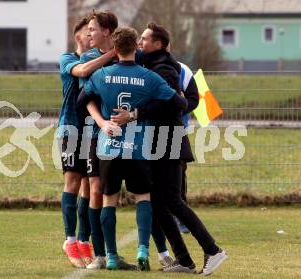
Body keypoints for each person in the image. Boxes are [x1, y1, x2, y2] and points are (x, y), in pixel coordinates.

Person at [112, 23, 227, 275]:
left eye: (145, 39)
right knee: (158, 204)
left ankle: (213, 250)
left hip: (169, 139)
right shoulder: (153, 63)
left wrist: (134, 114)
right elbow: (127, 50)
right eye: (139, 39)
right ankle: (184, 260)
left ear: (159, 44)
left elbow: (173, 105)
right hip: (158, 140)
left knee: (173, 200)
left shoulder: (164, 68)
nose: (140, 43)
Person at [78, 26, 187, 271]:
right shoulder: (149, 77)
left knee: (108, 200)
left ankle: (112, 256)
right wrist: (175, 93)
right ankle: (142, 250)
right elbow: (179, 103)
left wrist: (102, 122)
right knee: (143, 198)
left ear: (115, 49)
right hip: (138, 147)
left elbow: (81, 101)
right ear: (135, 48)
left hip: (109, 146)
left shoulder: (102, 74)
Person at [58, 16, 115, 268]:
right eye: (86, 31)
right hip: (70, 128)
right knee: (72, 181)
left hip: (91, 131)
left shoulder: (96, 57)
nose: (90, 35)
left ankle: (83, 239)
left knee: (89, 188)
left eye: (93, 31)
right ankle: (69, 239)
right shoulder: (69, 59)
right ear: (77, 36)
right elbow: (83, 71)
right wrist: (112, 53)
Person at [78, 10, 119, 270]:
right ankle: (100, 254)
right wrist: (102, 122)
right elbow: (87, 98)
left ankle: (149, 251)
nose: (88, 33)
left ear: (106, 31)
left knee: (122, 194)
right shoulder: (89, 57)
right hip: (94, 135)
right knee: (95, 190)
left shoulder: (126, 53)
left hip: (127, 136)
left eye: (92, 29)